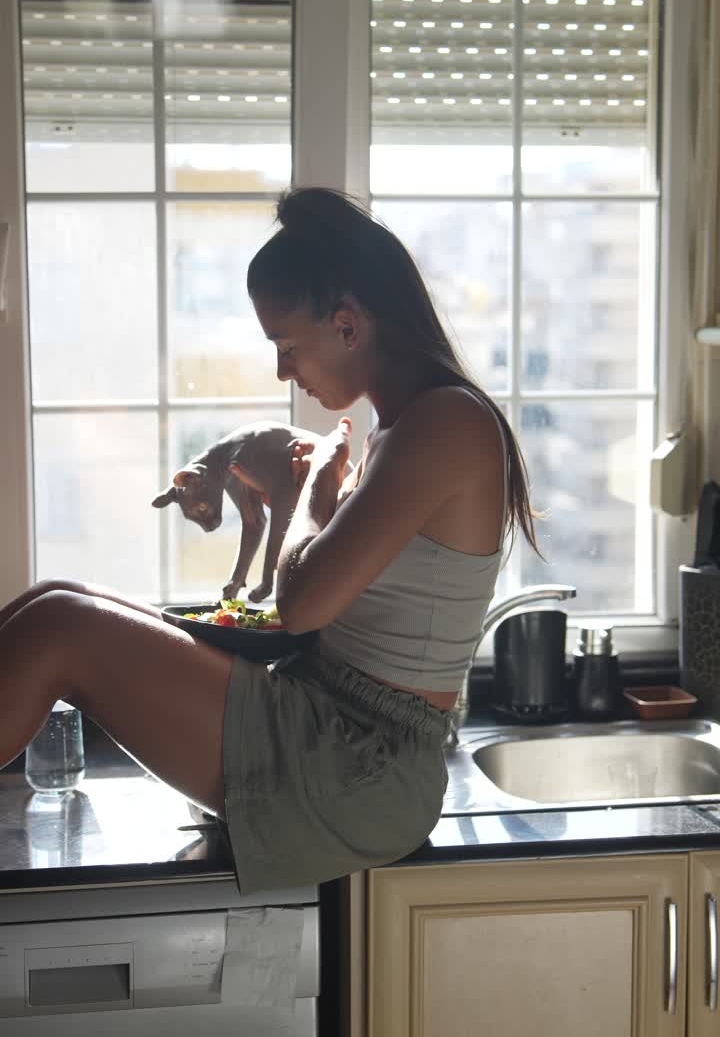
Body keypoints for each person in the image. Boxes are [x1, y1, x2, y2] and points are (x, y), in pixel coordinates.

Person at [0, 188, 539, 894]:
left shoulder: (445, 425)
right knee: (55, 599)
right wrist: (301, 489)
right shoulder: (404, 429)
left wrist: (306, 496)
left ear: (347, 327)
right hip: (331, 722)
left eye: (287, 348)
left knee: (59, 629)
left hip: (366, 761)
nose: (285, 371)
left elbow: (304, 602)